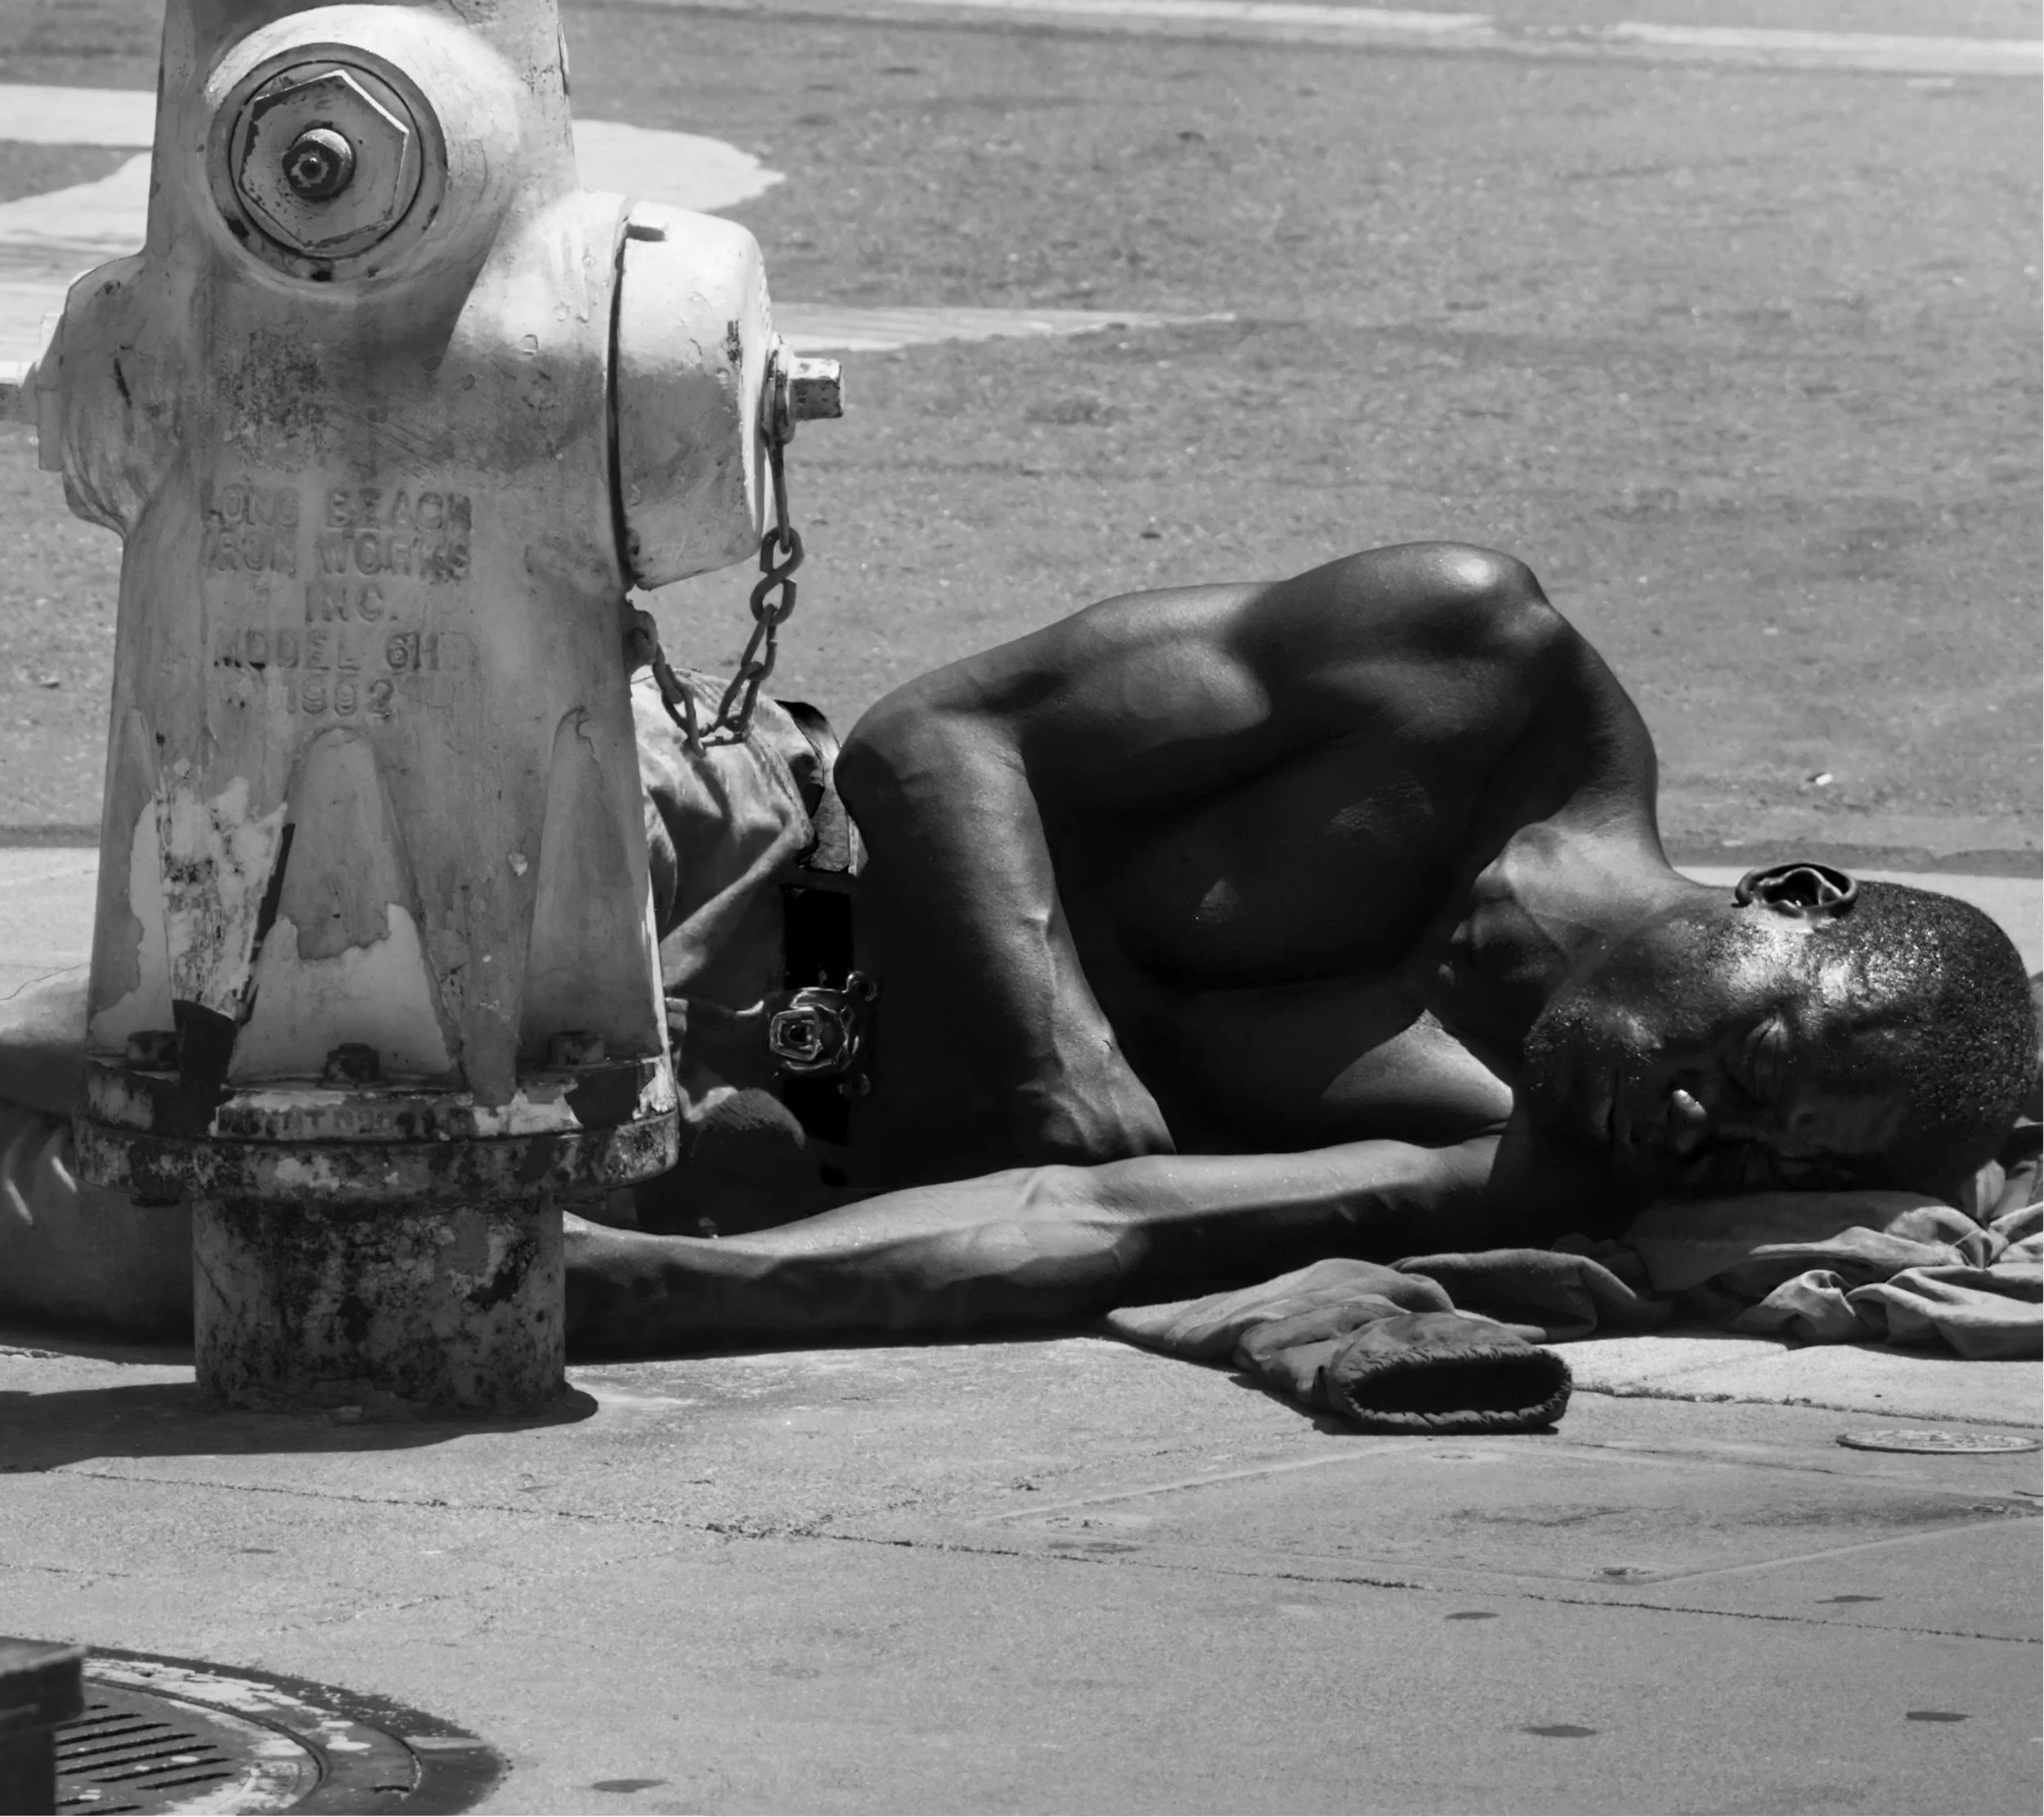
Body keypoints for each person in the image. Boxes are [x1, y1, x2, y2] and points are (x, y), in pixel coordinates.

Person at [564, 543, 2038, 1353]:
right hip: (714, 854)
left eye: (1755, 1158)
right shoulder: (1474, 670)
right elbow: (938, 738)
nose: (1698, 1121)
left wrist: (673, 1290)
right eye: (1759, 1054)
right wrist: (1057, 1053)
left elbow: (1104, 1219)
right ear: (1786, 893)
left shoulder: (1542, 1156)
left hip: (716, 1151)